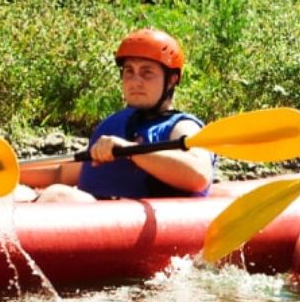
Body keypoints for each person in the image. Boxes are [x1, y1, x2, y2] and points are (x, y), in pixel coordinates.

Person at [26, 29, 215, 202]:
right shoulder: (117, 123)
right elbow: (61, 174)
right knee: (16, 193)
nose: (135, 82)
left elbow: (199, 175)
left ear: (171, 80)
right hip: (96, 214)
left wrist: (130, 150)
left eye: (147, 73)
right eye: (129, 71)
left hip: (138, 222)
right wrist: (11, 172)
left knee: (59, 195)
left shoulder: (181, 126)